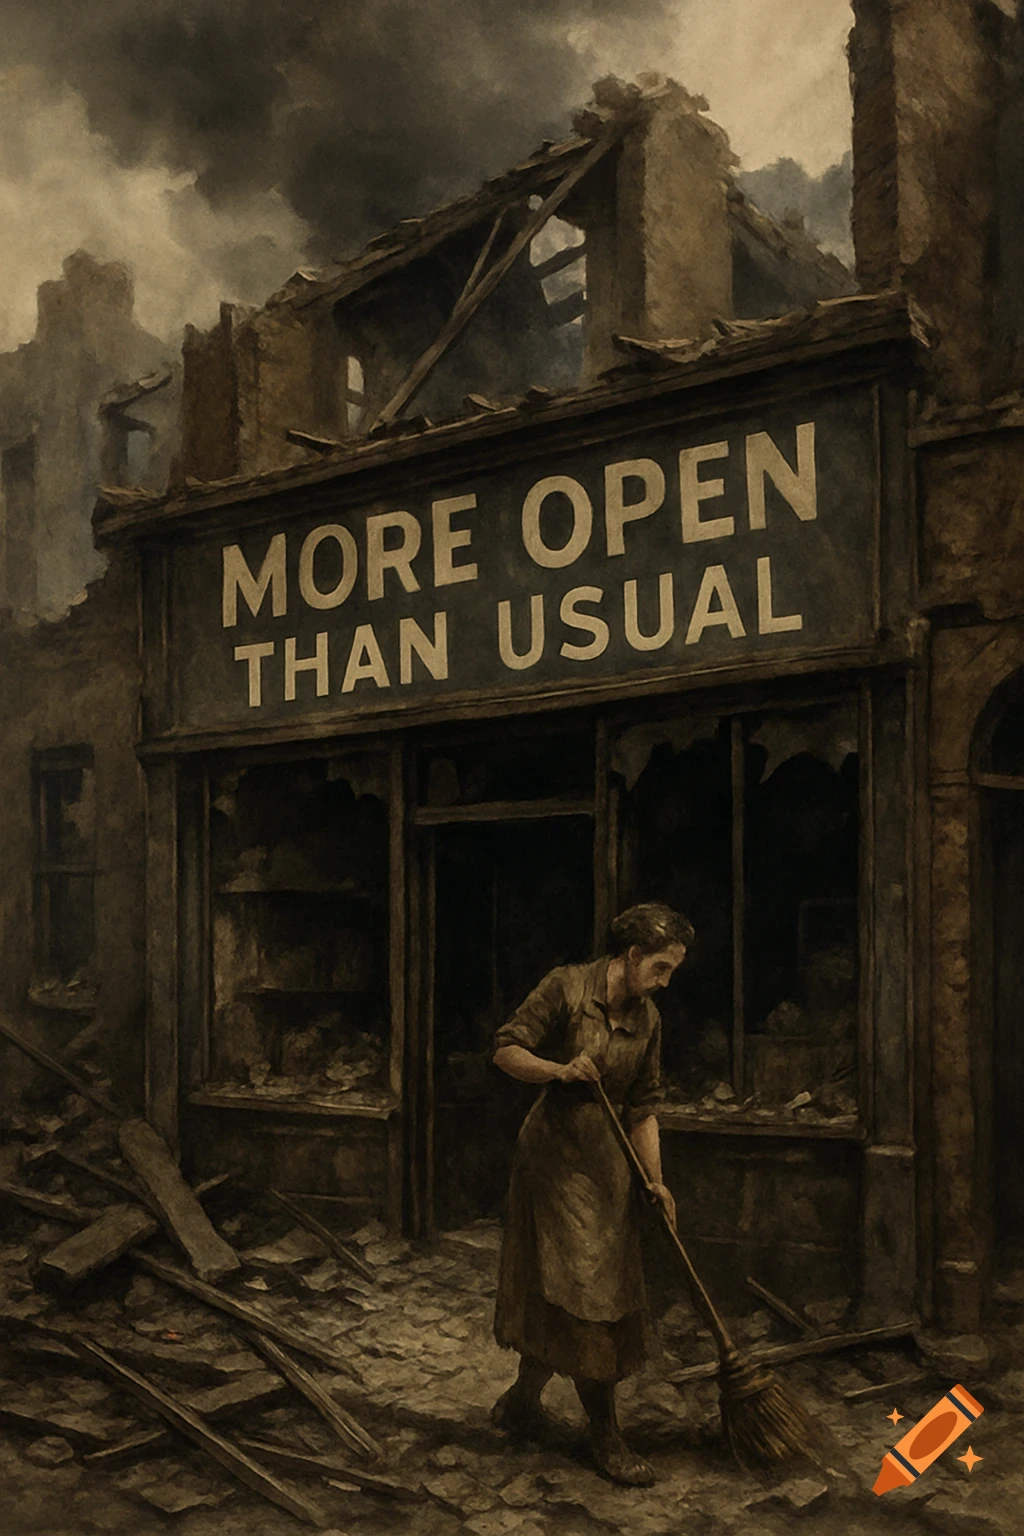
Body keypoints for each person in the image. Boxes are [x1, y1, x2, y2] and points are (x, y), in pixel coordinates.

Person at [490, 901, 693, 1486]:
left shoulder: (649, 1018)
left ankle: (522, 1403)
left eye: (672, 970)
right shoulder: (567, 987)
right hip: (553, 1162)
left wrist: (654, 1180)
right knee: (586, 1293)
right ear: (630, 956)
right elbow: (505, 1049)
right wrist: (557, 1071)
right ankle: (605, 1436)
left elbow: (645, 1105)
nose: (665, 981)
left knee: (577, 1290)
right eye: (659, 967)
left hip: (610, 1168)